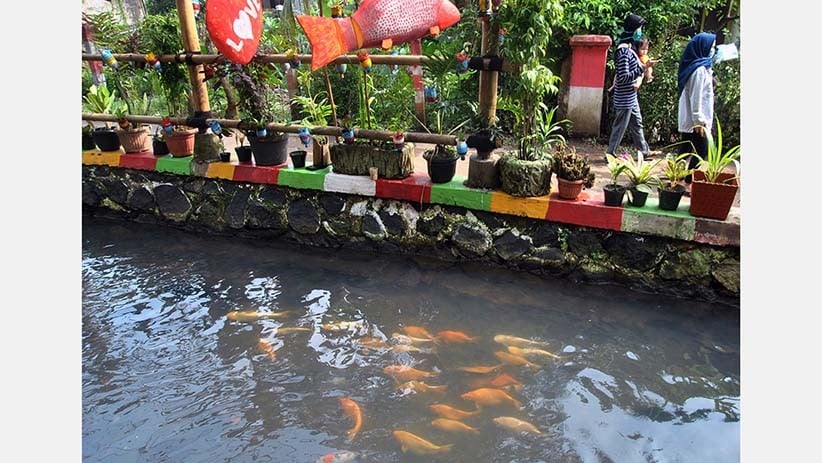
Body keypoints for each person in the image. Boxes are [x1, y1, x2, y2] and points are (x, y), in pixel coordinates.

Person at [606, 13, 658, 159]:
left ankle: (644, 150)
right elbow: (623, 77)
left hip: (631, 96)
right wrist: (643, 68)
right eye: (639, 28)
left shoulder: (629, 47)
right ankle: (610, 153)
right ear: (633, 29)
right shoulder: (623, 51)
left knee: (637, 123)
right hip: (624, 96)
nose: (640, 32)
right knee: (620, 126)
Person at [677, 32, 716, 184]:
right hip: (697, 121)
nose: (713, 50)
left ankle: (679, 179)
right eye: (711, 47)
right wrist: (698, 120)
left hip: (696, 120)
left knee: (685, 149)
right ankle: (688, 179)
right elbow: (696, 96)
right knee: (701, 150)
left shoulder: (703, 67)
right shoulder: (698, 71)